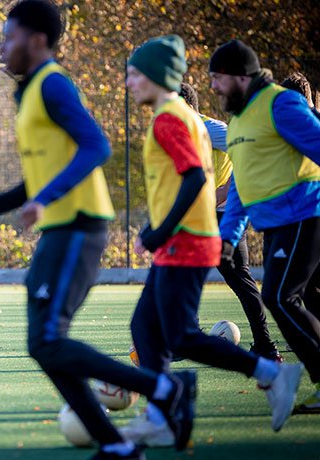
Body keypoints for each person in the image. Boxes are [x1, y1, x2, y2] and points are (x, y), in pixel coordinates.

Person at [0, 3, 198, 459]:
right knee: (44, 346)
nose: (2, 47)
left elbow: (96, 145)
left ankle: (165, 388)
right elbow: (40, 176)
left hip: (79, 228)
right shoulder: (29, 94)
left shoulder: (53, 84)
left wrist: (44, 200)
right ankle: (118, 444)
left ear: (38, 41)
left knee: (48, 339)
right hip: (60, 230)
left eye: (10, 38)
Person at [121, 35, 303, 448]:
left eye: (135, 74)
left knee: (180, 335)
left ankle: (272, 373)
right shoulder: (180, 117)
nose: (129, 82)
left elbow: (196, 179)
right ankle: (160, 415)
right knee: (146, 329)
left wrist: (157, 232)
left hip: (186, 243)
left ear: (156, 76)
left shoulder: (172, 118)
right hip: (182, 242)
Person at [210, 40, 320, 414]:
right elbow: (242, 183)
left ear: (241, 77)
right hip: (278, 225)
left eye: (218, 78)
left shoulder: (280, 103)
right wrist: (228, 236)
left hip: (305, 217)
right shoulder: (240, 120)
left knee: (278, 296)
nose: (213, 87)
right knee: (313, 301)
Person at [178, 82, 280, 361]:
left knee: (241, 282)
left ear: (185, 105)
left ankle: (266, 347)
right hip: (200, 217)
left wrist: (225, 191)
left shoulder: (211, 129)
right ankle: (187, 338)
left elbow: (250, 154)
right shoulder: (181, 132)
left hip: (225, 217)